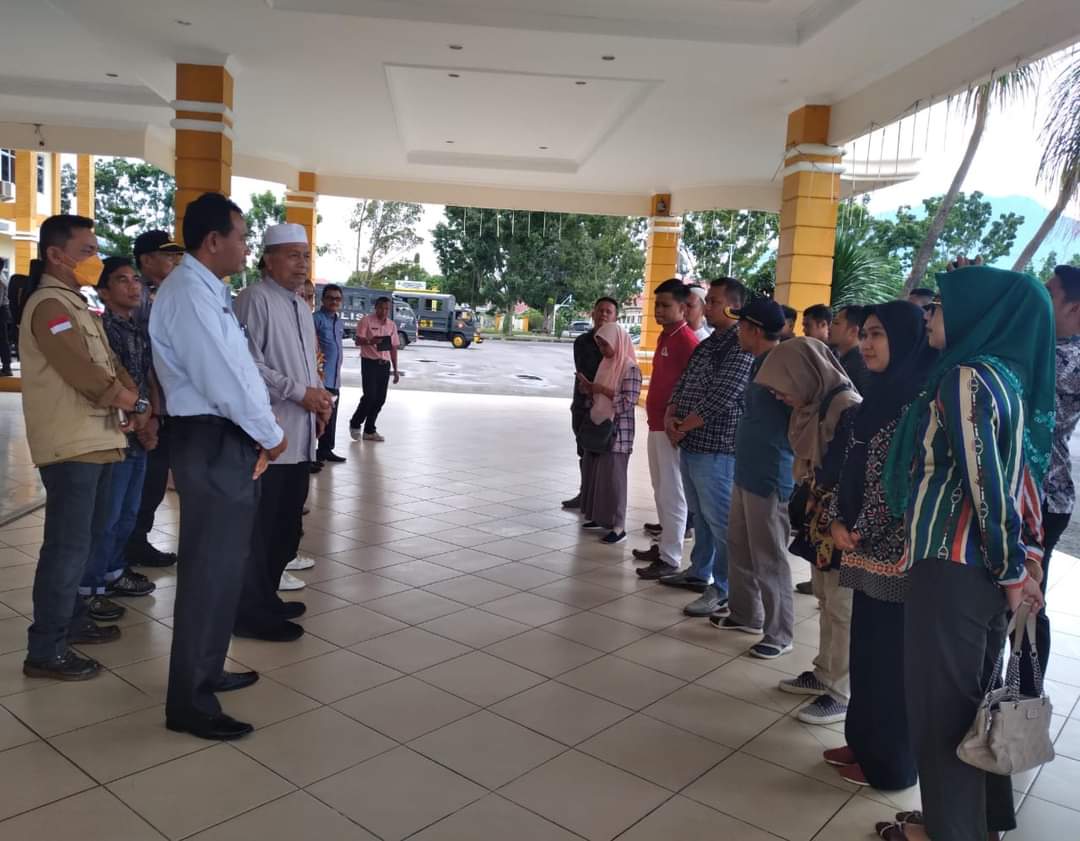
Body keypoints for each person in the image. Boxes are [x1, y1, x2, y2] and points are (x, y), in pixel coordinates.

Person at [877, 265, 1052, 841]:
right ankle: (976, 823)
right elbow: (1024, 480)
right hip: (981, 574)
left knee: (943, 713)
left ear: (980, 314)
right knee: (973, 704)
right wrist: (1024, 562)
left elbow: (988, 487)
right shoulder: (1007, 379)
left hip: (955, 570)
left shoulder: (967, 378)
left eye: (942, 307)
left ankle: (949, 832)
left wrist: (1011, 570)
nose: (930, 314)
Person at [150, 192, 288, 741]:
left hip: (225, 437)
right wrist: (272, 436)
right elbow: (223, 379)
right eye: (242, 237)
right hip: (209, 438)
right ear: (213, 241)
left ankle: (207, 671)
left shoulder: (208, 290)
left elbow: (238, 368)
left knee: (224, 567)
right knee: (208, 572)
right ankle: (188, 702)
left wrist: (258, 433)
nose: (246, 247)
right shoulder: (189, 294)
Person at [810, 301, 931, 788]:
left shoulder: (916, 403)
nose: (867, 344)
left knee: (889, 661)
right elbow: (852, 466)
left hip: (893, 552)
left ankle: (890, 763)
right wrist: (837, 518)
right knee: (865, 649)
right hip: (860, 543)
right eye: (865, 334)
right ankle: (863, 741)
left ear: (903, 340)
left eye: (877, 334)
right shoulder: (875, 395)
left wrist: (857, 527)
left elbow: (901, 481)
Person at [19, 215, 146, 680]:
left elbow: (109, 363)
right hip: (71, 444)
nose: (96, 259)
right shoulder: (49, 305)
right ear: (56, 255)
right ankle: (46, 649)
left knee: (87, 540)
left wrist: (134, 398)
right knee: (66, 547)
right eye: (87, 251)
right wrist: (131, 401)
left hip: (99, 439)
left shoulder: (77, 304)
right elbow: (81, 369)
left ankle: (71, 621)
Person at [233, 223, 330, 639]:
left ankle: (267, 599)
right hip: (269, 439)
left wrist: (320, 400)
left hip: (300, 436)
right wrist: (298, 392)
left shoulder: (299, 306)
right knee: (261, 532)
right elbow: (246, 364)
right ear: (268, 260)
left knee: (287, 529)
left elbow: (309, 366)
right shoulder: (254, 299)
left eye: (305, 256)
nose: (301, 264)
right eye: (292, 255)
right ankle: (248, 613)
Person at [757, 338, 861, 709]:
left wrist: (836, 518)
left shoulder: (846, 408)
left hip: (843, 523)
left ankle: (841, 691)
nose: (778, 395)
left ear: (803, 375)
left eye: (782, 386)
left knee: (842, 606)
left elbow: (851, 475)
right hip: (821, 519)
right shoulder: (814, 407)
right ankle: (824, 672)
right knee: (825, 597)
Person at [660, 278, 753, 617]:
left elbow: (722, 397)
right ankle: (700, 571)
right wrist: (671, 414)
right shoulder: (709, 343)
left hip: (717, 448)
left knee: (720, 521)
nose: (705, 307)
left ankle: (724, 588)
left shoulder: (741, 346)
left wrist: (681, 426)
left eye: (713, 301)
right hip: (691, 443)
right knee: (701, 515)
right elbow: (683, 383)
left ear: (734, 307)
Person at [710, 297, 796, 660]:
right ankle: (745, 614)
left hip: (769, 474)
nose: (737, 333)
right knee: (740, 546)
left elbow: (803, 411)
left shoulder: (784, 365)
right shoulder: (758, 362)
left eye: (741, 326)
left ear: (754, 330)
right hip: (746, 471)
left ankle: (779, 633)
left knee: (769, 556)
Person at [79, 258, 161, 623]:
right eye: (122, 280)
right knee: (107, 515)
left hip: (139, 427)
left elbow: (144, 376)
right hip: (117, 431)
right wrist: (138, 419)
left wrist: (151, 418)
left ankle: (113, 571)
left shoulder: (137, 328)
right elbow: (109, 381)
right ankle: (89, 587)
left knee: (129, 511)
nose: (133, 287)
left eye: (135, 280)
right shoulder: (103, 329)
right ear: (103, 291)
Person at [1023, 264, 1080, 694]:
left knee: (1027, 599)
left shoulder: (1068, 359)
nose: (1039, 299)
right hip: (1030, 494)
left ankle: (1024, 697)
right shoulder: (1046, 347)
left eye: (1048, 293)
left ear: (1074, 308)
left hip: (1043, 498)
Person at [126, 230, 185, 570]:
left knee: (154, 480)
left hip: (162, 406)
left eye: (176, 255)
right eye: (167, 255)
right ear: (146, 260)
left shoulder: (163, 295)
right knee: (142, 482)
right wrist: (148, 409)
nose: (174, 261)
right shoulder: (137, 300)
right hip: (144, 408)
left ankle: (137, 541)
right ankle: (128, 547)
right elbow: (139, 359)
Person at [633, 278, 699, 579]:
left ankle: (671, 558)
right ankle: (663, 547)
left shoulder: (687, 341)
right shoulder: (666, 337)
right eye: (656, 305)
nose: (658, 310)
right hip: (655, 424)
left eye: (665, 305)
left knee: (672, 493)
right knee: (660, 489)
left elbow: (694, 388)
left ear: (683, 308)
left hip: (672, 429)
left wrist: (680, 424)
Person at [577, 322, 641, 544]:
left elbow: (628, 402)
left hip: (617, 433)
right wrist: (589, 389)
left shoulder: (630, 368)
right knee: (597, 476)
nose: (603, 350)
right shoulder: (605, 364)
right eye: (600, 345)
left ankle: (618, 526)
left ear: (618, 342)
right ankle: (600, 518)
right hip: (598, 427)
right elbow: (597, 398)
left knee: (614, 481)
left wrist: (601, 390)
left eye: (606, 345)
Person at [563, 297, 619, 510]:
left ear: (615, 317)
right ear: (593, 314)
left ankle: (599, 498)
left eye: (608, 311)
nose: (603, 314)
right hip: (583, 404)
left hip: (607, 406)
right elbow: (584, 372)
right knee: (583, 449)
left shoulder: (620, 345)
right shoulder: (582, 342)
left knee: (604, 453)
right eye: (600, 310)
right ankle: (585, 493)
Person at [348, 296, 400, 442]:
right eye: (381, 308)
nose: (384, 311)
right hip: (369, 363)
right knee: (369, 396)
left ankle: (369, 430)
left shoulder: (391, 325)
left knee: (380, 399)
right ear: (375, 307)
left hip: (384, 365)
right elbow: (358, 340)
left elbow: (394, 348)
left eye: (386, 308)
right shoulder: (366, 321)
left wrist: (395, 370)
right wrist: (371, 341)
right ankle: (355, 423)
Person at [314, 284, 346, 465]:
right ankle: (309, 455)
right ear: (323, 300)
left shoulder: (339, 322)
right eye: (330, 298)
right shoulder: (316, 319)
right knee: (316, 417)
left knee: (331, 415)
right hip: (320, 378)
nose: (334, 301)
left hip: (335, 378)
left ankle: (326, 450)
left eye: (337, 298)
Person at [830, 305, 870, 395]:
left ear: (853, 331)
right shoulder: (838, 357)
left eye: (836, 323)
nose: (829, 327)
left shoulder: (862, 364)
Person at [0, 257, 12, 376]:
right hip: (3, 311)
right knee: (3, 340)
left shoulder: (0, 281)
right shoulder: (2, 276)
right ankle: (6, 366)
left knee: (3, 341)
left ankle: (7, 368)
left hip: (1, 312)